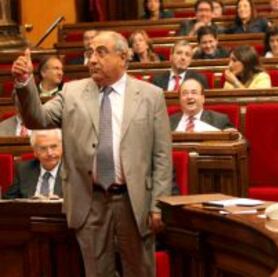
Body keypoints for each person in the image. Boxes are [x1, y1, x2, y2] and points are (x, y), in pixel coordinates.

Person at [11, 31, 172, 276]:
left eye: (100, 52)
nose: (92, 60)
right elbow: (37, 118)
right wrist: (24, 83)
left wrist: (157, 205)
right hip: (90, 201)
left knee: (140, 271)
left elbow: (161, 154)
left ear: (123, 57)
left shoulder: (151, 96)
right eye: (89, 53)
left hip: (134, 202)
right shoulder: (72, 92)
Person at [3, 129, 63, 199]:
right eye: (43, 148)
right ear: (35, 152)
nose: (49, 153)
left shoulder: (73, 172)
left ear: (62, 147)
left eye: (53, 147)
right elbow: (8, 203)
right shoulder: (22, 170)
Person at [170, 78, 235, 131]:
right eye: (185, 93)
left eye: (194, 93)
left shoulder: (219, 120)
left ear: (202, 98)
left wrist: (231, 134)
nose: (189, 97)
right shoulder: (169, 122)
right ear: (180, 99)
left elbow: (235, 138)